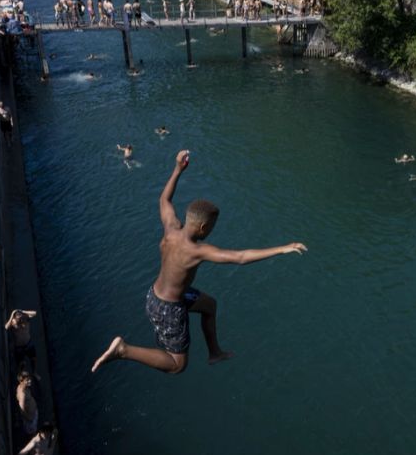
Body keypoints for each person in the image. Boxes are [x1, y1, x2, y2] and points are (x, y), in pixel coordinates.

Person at [91, 150, 308, 375]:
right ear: (204, 228)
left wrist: (178, 169)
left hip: (158, 294)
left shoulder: (171, 228)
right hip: (168, 309)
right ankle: (124, 350)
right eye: (212, 227)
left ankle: (214, 353)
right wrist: (282, 248)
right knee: (177, 365)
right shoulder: (197, 250)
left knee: (209, 305)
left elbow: (164, 199)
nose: (212, 231)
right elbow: (240, 257)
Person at [17, 370, 38, 436]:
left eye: (29, 379)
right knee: (32, 432)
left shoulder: (23, 387)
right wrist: (30, 419)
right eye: (27, 380)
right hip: (31, 419)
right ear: (21, 381)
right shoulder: (22, 394)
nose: (30, 381)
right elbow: (22, 411)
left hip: (32, 414)